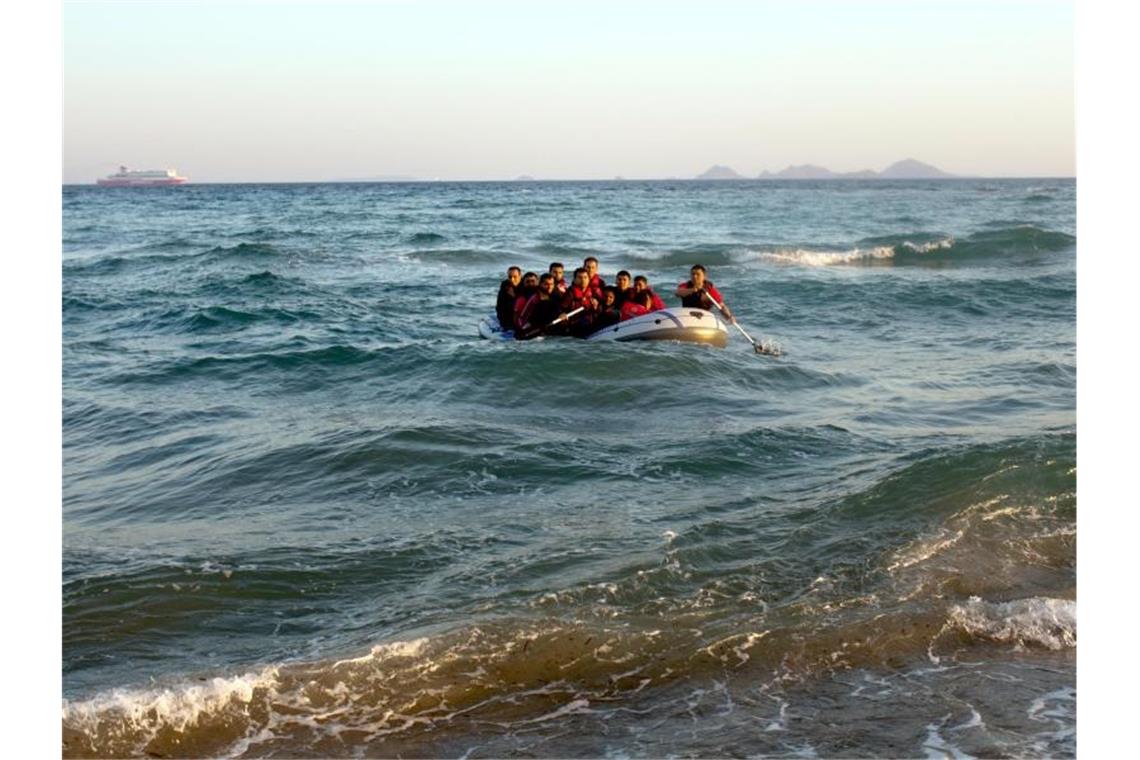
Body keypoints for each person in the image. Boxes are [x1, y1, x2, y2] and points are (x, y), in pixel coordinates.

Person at [516, 273, 567, 338]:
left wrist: (562, 313)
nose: (549, 287)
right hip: (535, 327)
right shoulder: (535, 299)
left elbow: (560, 308)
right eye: (546, 284)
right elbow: (522, 318)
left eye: (551, 284)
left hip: (551, 326)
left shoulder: (557, 295)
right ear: (540, 284)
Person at [561, 267, 601, 337]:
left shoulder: (594, 292)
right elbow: (562, 308)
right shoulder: (570, 293)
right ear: (575, 279)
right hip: (575, 324)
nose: (583, 280)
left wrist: (596, 307)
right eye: (580, 277)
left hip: (591, 322)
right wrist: (562, 314)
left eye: (585, 277)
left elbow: (600, 310)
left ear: (589, 279)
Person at [495, 266, 522, 330]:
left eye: (515, 277)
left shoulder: (525, 285)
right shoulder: (505, 285)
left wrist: (514, 296)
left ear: (520, 276)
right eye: (510, 277)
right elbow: (499, 306)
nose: (512, 279)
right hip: (508, 318)